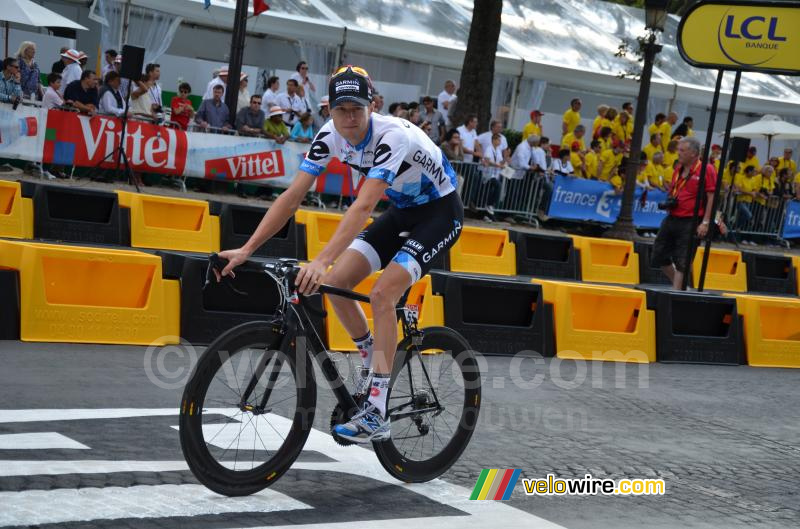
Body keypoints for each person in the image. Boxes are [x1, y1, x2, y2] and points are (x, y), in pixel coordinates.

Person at [218, 65, 462, 443]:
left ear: (372, 105)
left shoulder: (392, 135)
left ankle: (377, 411)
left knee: (382, 293)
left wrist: (320, 259)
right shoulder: (328, 135)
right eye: (341, 109)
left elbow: (364, 206)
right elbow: (292, 196)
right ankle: (371, 361)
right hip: (402, 212)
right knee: (334, 284)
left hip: (441, 213)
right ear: (328, 109)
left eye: (357, 109)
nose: (349, 118)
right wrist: (247, 249)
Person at [651, 137, 717, 290]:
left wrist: (705, 222)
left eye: (682, 150)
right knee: (658, 255)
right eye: (678, 150)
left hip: (691, 220)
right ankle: (681, 287)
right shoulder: (678, 168)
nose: (678, 153)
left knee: (682, 260)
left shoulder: (707, 169)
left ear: (694, 153)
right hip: (673, 217)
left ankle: (676, 293)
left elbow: (712, 196)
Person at [480, 132, 506, 221]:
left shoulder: (498, 150)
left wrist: (506, 159)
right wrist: (497, 165)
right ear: (494, 140)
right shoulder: (489, 149)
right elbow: (488, 160)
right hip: (488, 174)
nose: (499, 142)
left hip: (496, 174)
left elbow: (501, 161)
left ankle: (487, 214)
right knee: (498, 186)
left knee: (493, 191)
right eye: (498, 140)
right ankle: (490, 205)